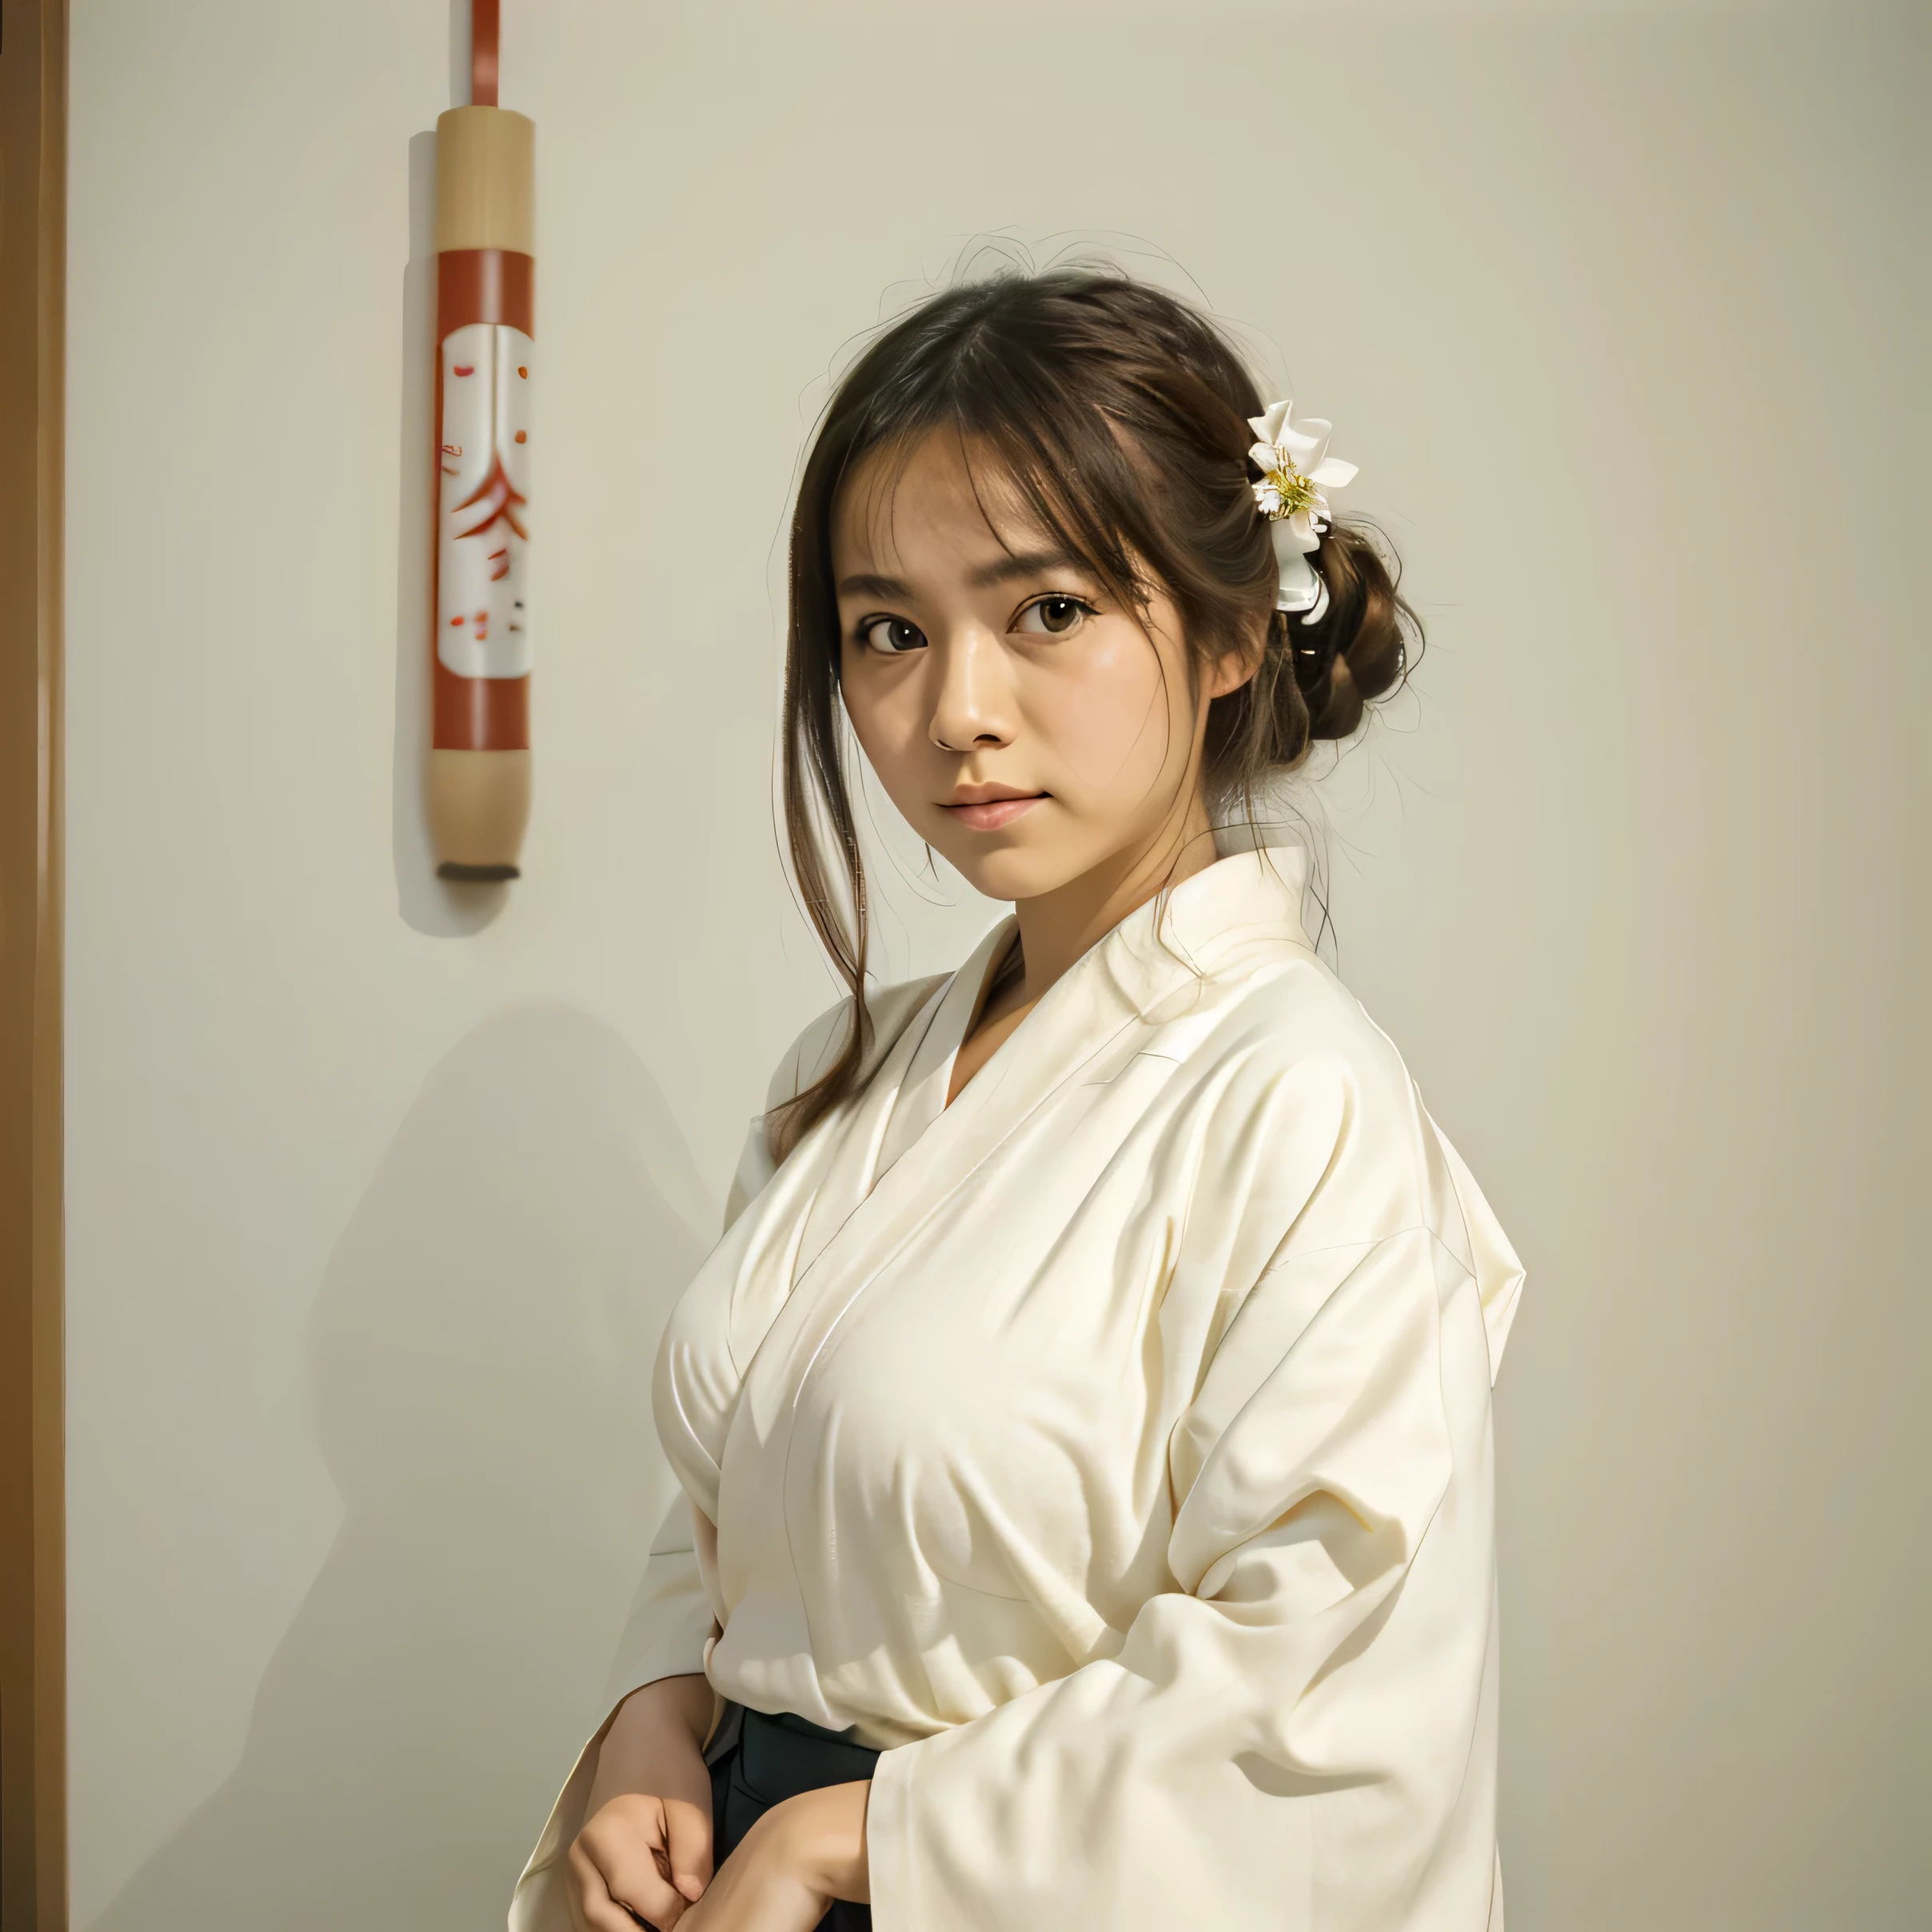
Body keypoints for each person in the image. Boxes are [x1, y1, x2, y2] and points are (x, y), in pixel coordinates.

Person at [509, 268, 1524, 1932]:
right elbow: (759, 1507)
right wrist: (650, 1716)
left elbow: (1314, 1699)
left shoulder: (1295, 1096)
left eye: (1044, 608)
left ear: (1215, 631)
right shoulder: (839, 1080)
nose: (954, 710)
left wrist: (862, 1838)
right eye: (886, 630)